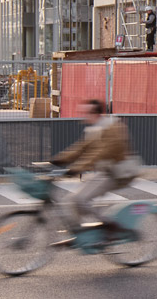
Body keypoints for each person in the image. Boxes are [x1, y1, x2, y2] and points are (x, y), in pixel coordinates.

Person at [49, 98, 136, 240]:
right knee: (73, 201)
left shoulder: (111, 127)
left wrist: (76, 168)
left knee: (79, 199)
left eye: (86, 113)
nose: (83, 116)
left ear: (95, 113)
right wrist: (59, 159)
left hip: (117, 173)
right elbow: (80, 148)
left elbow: (101, 152)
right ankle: (80, 233)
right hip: (105, 172)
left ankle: (108, 224)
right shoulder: (95, 128)